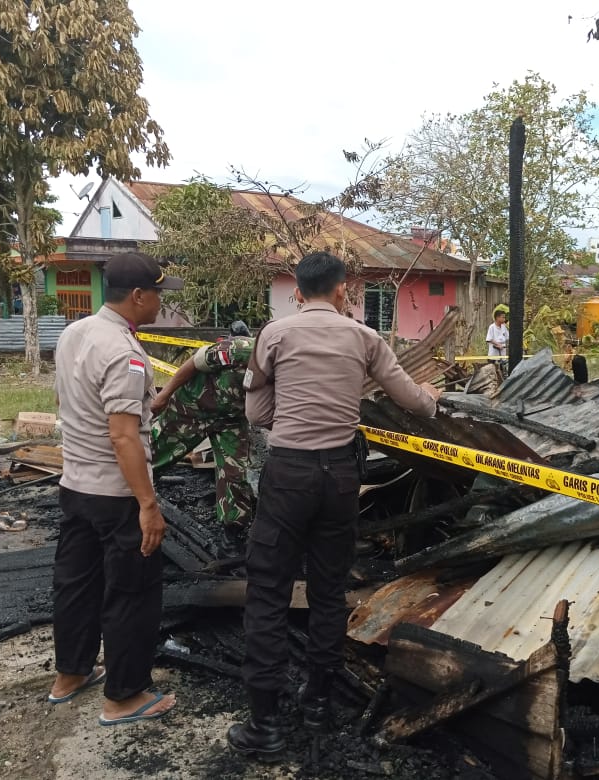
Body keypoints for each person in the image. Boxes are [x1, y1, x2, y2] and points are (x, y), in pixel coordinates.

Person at [228, 251, 440, 760]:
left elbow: (256, 411)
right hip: (341, 477)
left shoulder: (273, 336)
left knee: (269, 591)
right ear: (342, 289)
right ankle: (318, 702)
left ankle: (264, 724)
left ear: (297, 292)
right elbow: (411, 398)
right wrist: (432, 397)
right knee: (327, 592)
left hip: (289, 475)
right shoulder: (365, 339)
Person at [50, 252, 182, 727]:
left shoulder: (75, 334)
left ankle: (70, 674)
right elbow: (122, 435)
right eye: (159, 296)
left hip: (76, 486)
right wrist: (147, 505)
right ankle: (124, 696)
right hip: (116, 495)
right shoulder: (125, 353)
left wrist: (157, 399)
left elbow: (79, 405)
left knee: (77, 584)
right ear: (138, 296)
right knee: (132, 592)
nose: (161, 306)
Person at [151, 320, 256, 550]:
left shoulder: (287, 371)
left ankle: (232, 538)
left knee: (236, 475)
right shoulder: (238, 350)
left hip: (231, 420)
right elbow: (193, 364)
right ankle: (124, 499)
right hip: (192, 407)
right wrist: (165, 394)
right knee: (153, 455)